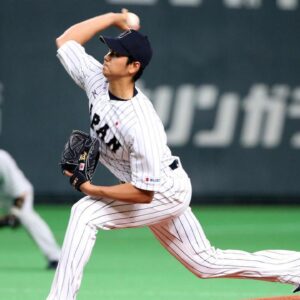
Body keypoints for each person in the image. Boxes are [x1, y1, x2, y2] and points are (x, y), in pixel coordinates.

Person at [47, 10, 300, 300]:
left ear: (133, 66)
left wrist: (92, 189)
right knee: (205, 262)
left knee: (85, 212)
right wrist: (114, 17)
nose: (106, 56)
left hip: (163, 190)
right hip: (147, 185)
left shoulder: (140, 123)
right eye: (109, 50)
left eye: (116, 54)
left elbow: (145, 193)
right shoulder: (96, 80)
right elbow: (66, 40)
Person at [0, 149, 61, 269]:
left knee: (27, 218)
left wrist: (14, 214)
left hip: (18, 196)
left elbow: (20, 193)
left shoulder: (2, 159)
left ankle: (55, 257)